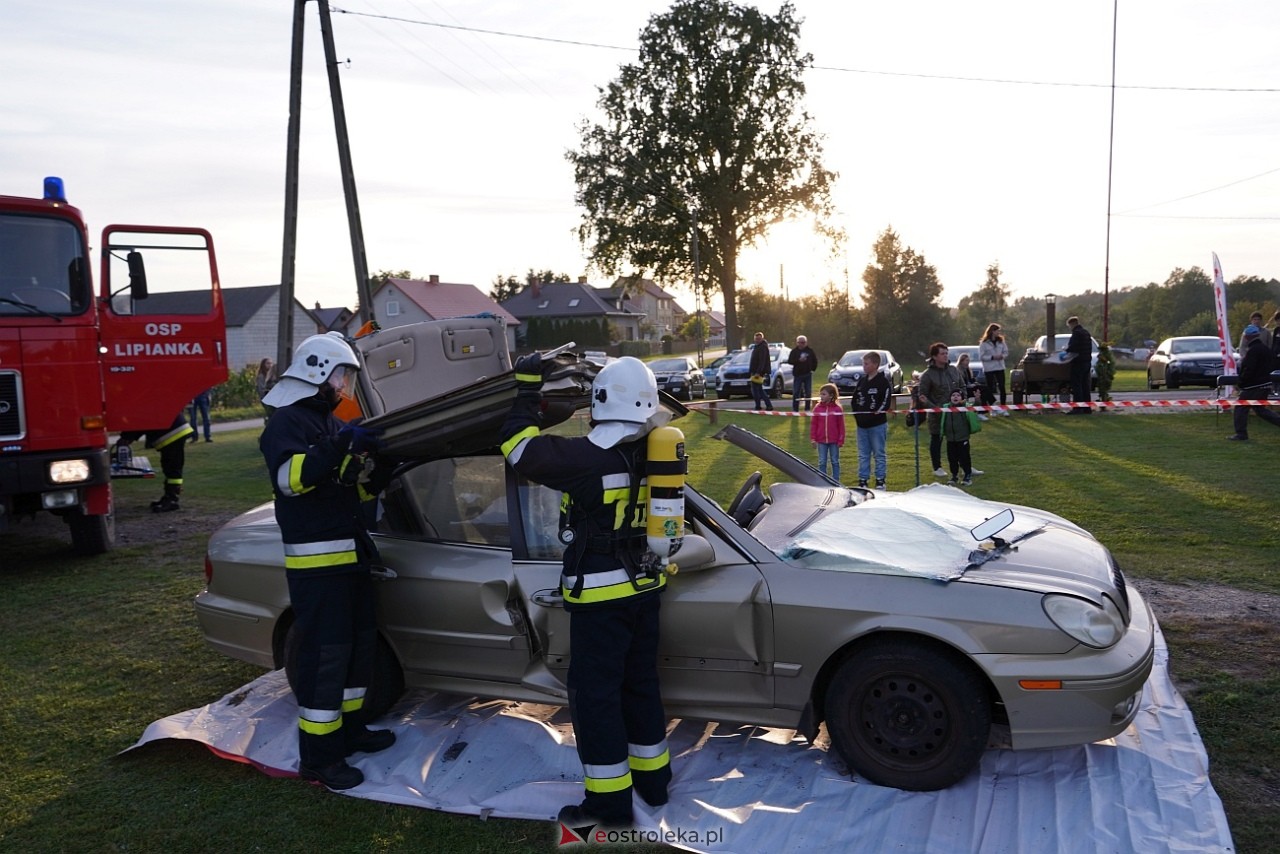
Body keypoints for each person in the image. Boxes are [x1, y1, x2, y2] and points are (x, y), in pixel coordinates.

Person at [501, 354, 674, 828]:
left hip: (601, 599)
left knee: (596, 700)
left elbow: (518, 449)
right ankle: (654, 784)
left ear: (601, 405)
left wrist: (525, 393)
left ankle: (608, 805)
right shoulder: (654, 454)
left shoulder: (587, 458)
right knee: (640, 686)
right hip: (645, 588)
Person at [259, 331, 397, 791]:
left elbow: (347, 487)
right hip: (317, 568)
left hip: (351, 559)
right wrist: (339, 448)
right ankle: (319, 758)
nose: (344, 386)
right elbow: (290, 478)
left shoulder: (330, 425)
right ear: (317, 371)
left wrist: (378, 472)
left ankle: (350, 732)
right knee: (325, 661)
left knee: (358, 651)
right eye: (341, 376)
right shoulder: (287, 423)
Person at [115, 412, 194, 512]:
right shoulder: (141, 404)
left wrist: (126, 438)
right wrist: (127, 437)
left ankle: (172, 500)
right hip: (174, 429)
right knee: (168, 466)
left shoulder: (139, 406)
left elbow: (138, 423)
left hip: (173, 432)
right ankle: (169, 497)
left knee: (172, 468)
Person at [1226, 324, 1280, 441]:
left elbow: (1248, 369)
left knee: (1241, 408)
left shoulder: (1252, 351)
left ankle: (1241, 434)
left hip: (1253, 386)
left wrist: (1241, 382)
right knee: (1260, 410)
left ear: (1247, 337)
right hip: (1265, 384)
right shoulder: (1265, 349)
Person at [916, 342, 962, 478]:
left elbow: (962, 386)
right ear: (935, 356)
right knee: (936, 440)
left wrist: (961, 401)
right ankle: (937, 467)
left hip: (955, 413)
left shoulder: (953, 370)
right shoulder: (927, 375)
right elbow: (922, 396)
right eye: (942, 353)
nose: (945, 356)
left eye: (946, 353)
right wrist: (935, 408)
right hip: (937, 415)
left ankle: (964, 464)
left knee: (959, 440)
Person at [851, 353, 891, 489]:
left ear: (875, 365)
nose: (864, 366)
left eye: (867, 364)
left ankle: (880, 480)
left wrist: (874, 415)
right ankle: (863, 480)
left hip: (877, 425)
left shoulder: (883, 382)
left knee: (879, 453)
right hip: (861, 426)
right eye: (863, 364)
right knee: (863, 454)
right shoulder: (862, 381)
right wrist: (858, 417)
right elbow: (855, 400)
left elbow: (885, 402)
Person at [809, 382, 845, 483]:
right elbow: (814, 425)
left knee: (835, 461)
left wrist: (841, 439)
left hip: (834, 441)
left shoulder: (837, 409)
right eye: (821, 394)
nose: (821, 396)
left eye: (824, 394)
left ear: (831, 395)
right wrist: (813, 438)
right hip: (821, 441)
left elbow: (841, 426)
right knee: (822, 462)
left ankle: (836, 480)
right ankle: (823, 480)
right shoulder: (817, 408)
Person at [940, 389, 977, 485]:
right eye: (953, 395)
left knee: (964, 458)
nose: (955, 397)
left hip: (963, 438)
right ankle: (954, 475)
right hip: (950, 438)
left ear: (962, 398)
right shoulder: (946, 407)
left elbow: (976, 407)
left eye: (958, 395)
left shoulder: (966, 407)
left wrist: (977, 399)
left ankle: (967, 475)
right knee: (952, 458)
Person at [978, 323, 1010, 414]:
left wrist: (1002, 356)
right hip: (989, 368)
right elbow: (981, 356)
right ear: (992, 331)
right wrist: (992, 357)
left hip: (1000, 367)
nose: (998, 332)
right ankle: (992, 408)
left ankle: (1003, 408)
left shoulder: (1001, 341)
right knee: (990, 388)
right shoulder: (983, 343)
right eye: (997, 331)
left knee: (1002, 387)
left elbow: (1006, 352)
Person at [1065, 316, 1093, 414]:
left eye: (1069, 326)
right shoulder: (1086, 333)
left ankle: (1077, 408)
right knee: (1085, 386)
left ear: (1072, 324)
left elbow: (1072, 348)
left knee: (1077, 386)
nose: (1070, 328)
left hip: (1078, 363)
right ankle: (1087, 408)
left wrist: (1065, 351)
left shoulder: (1076, 334)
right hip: (1087, 362)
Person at [787, 335, 818, 412]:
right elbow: (790, 361)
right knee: (796, 392)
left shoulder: (810, 351)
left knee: (808, 392)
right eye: (800, 342)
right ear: (797, 343)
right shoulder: (794, 351)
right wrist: (798, 360)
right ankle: (795, 409)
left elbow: (815, 361)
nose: (802, 344)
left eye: (803, 342)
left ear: (806, 342)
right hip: (798, 375)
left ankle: (807, 409)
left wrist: (812, 370)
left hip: (807, 374)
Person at [955, 353, 986, 422]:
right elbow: (961, 383)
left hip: (970, 387)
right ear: (961, 361)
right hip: (964, 390)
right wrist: (969, 385)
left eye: (968, 360)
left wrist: (974, 382)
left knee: (984, 388)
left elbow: (971, 379)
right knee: (981, 389)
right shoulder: (958, 370)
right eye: (966, 360)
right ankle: (982, 412)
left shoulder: (967, 369)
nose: (968, 362)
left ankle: (984, 410)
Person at [747, 331, 774, 411]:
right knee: (757, 389)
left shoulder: (762, 347)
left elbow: (762, 361)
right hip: (755, 371)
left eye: (758, 339)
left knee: (758, 389)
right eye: (756, 339)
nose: (757, 340)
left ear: (762, 338)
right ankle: (759, 405)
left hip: (758, 372)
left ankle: (766, 405)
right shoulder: (757, 346)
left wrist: (758, 372)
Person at [256, 357, 278, 422]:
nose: (270, 365)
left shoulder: (272, 375)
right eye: (268, 363)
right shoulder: (261, 376)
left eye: (271, 363)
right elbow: (261, 389)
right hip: (266, 398)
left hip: (273, 398)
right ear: (263, 365)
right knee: (270, 414)